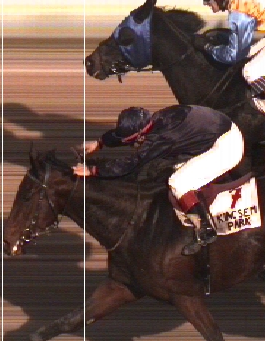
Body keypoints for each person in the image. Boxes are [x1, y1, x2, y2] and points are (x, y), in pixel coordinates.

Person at [75, 104, 245, 255]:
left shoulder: (163, 138)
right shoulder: (156, 119)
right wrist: (100, 143)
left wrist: (93, 170)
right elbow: (128, 137)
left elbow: (132, 163)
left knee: (178, 182)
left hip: (227, 147)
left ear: (141, 133)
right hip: (215, 131)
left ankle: (205, 229)